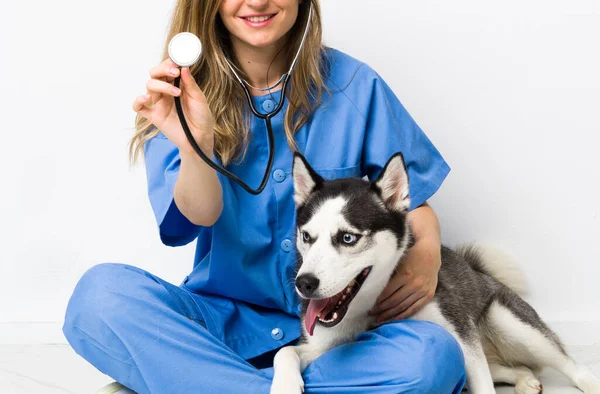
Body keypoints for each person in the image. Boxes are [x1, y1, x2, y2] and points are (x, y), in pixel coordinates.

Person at [63, 0, 467, 393]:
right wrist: (196, 145)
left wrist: (427, 251)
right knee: (100, 298)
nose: (257, 2)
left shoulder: (355, 85)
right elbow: (198, 215)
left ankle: (193, 381)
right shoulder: (178, 98)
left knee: (433, 357)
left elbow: (409, 203)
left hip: (339, 330)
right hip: (223, 324)